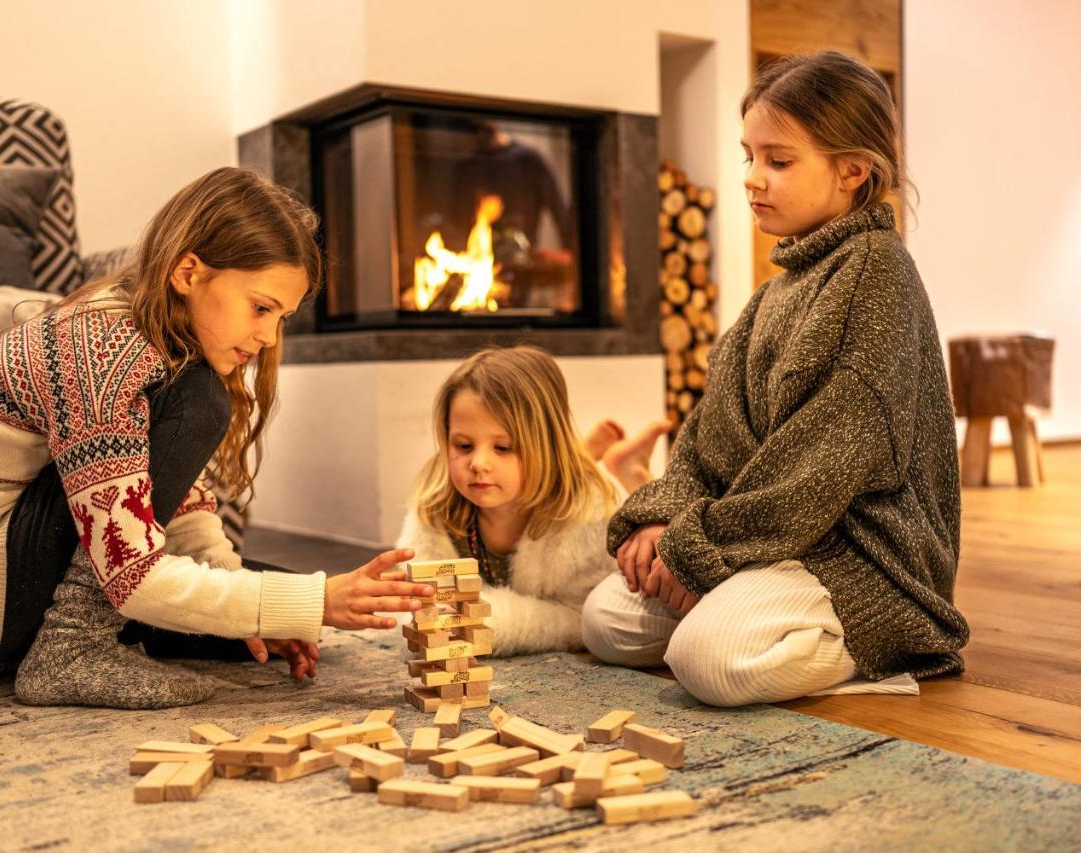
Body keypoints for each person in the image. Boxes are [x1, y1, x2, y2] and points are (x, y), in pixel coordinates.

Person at [0, 167, 434, 709]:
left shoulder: (160, 340)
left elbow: (176, 511)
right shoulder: (106, 349)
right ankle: (68, 648)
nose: (268, 337)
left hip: (19, 577)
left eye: (282, 318)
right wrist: (318, 599)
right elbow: (132, 572)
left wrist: (283, 608)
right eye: (260, 307)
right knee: (209, 423)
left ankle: (48, 643)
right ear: (188, 272)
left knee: (272, 602)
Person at [581, 51, 969, 706]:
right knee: (605, 619)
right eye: (749, 156)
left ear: (853, 171)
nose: (752, 178)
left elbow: (817, 468)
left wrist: (696, 546)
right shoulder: (775, 294)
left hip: (862, 561)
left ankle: (886, 649)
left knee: (709, 660)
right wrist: (663, 519)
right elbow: (709, 439)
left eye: (778, 161)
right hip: (772, 539)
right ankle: (743, 602)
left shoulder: (878, 273)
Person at [395, 346, 624, 654]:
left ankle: (628, 469)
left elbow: (580, 616)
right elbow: (418, 601)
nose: (479, 464)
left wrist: (487, 620)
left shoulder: (590, 515)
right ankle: (599, 455)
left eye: (502, 448)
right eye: (463, 446)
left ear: (545, 445)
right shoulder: (436, 511)